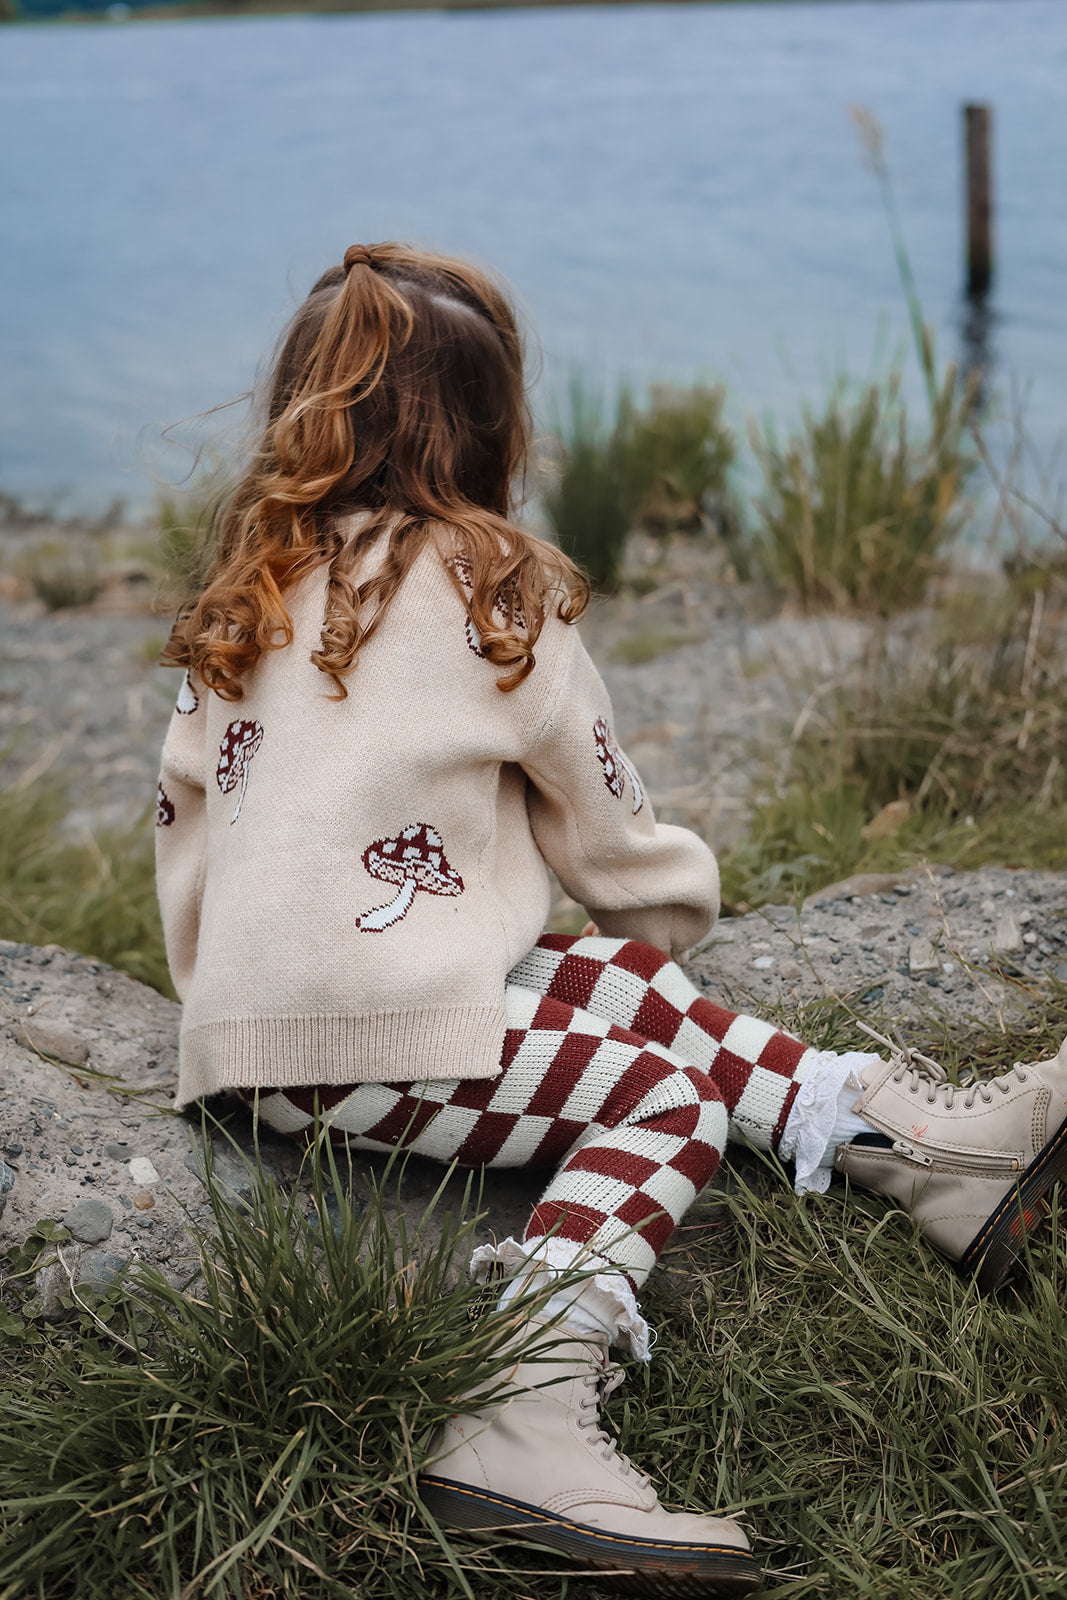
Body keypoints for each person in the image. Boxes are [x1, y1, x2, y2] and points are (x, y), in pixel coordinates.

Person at [155, 242, 1067, 1598]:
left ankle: (914, 1147)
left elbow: (186, 844)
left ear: (302, 405)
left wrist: (240, 1007)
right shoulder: (496, 586)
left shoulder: (243, 586)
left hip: (245, 1033)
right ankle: (516, 1402)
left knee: (599, 988)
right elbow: (621, 853)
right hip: (366, 1040)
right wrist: (679, 903)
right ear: (494, 421)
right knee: (658, 1095)